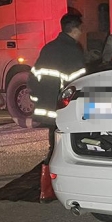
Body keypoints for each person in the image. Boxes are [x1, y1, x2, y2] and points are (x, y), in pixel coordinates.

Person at [28, 13, 87, 172]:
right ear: (75, 30)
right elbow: (79, 82)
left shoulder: (48, 48)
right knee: (64, 148)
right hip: (63, 110)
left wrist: (37, 98)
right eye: (80, 29)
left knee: (53, 145)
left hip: (47, 107)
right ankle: (57, 177)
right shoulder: (73, 51)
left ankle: (47, 175)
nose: (81, 33)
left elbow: (33, 77)